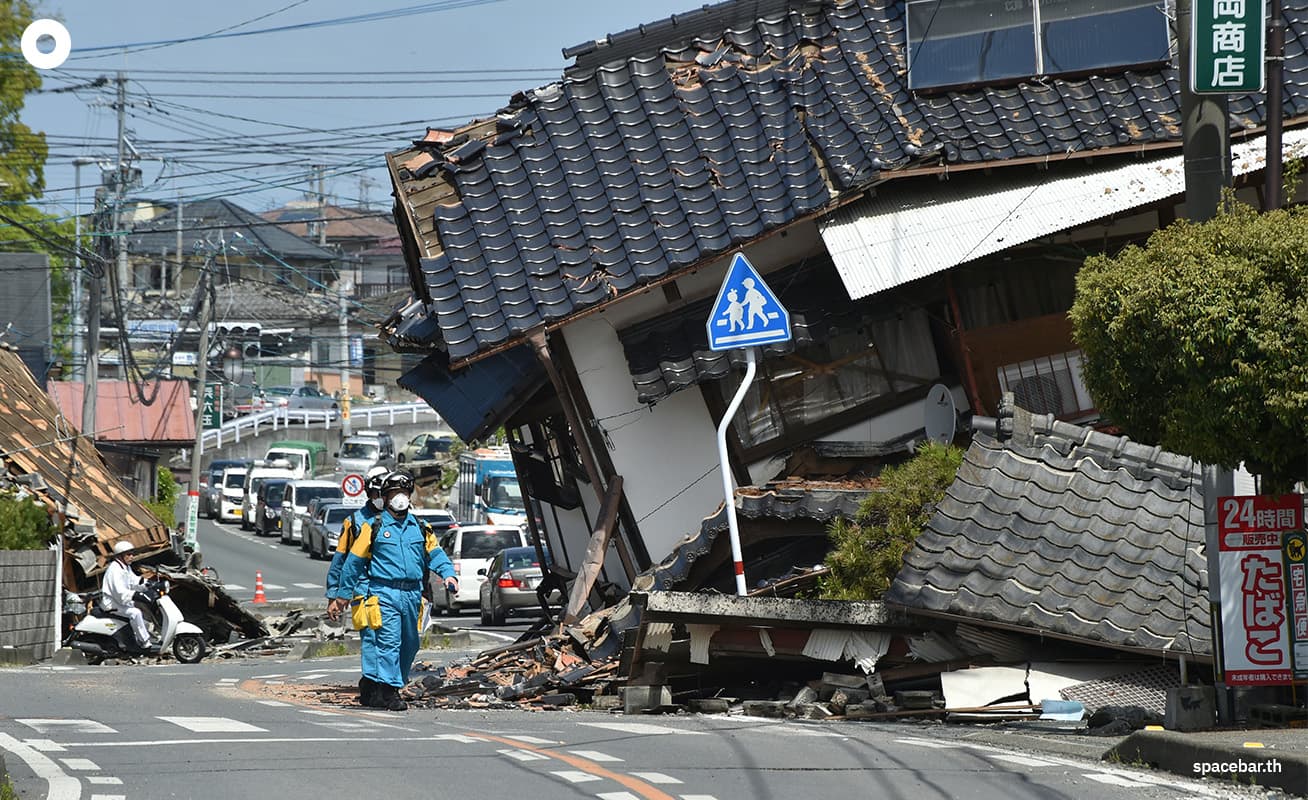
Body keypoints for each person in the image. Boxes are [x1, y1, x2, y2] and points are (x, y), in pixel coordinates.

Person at [331, 470, 457, 711]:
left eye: (404, 492)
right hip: (383, 593)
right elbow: (353, 563)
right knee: (388, 642)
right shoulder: (372, 527)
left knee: (410, 644)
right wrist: (341, 595)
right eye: (394, 493)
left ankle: (379, 686)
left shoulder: (420, 527)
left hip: (412, 594)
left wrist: (448, 574)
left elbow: (436, 554)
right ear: (385, 497)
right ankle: (389, 691)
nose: (400, 497)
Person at [325, 465, 389, 707]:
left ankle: (389, 684)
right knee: (372, 638)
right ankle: (372, 685)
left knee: (398, 640)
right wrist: (334, 595)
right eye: (377, 493)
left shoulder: (403, 520)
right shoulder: (354, 522)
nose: (382, 498)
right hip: (364, 590)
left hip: (394, 591)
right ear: (369, 493)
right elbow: (341, 560)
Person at [101, 540, 151, 650]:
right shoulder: (115, 570)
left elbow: (134, 581)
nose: (131, 557)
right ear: (120, 556)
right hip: (112, 604)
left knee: (140, 613)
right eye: (128, 554)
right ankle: (145, 643)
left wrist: (148, 584)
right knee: (135, 613)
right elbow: (120, 593)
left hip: (120, 603)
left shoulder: (125, 567)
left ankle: (138, 638)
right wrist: (136, 595)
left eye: (132, 554)